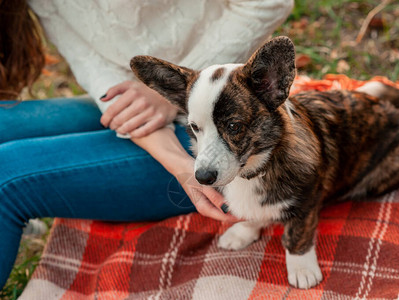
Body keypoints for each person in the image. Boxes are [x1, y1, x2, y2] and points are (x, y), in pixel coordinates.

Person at [0, 0, 294, 289]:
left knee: (7, 175)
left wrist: (177, 92)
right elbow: (95, 69)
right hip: (135, 101)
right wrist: (175, 161)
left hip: (231, 116)